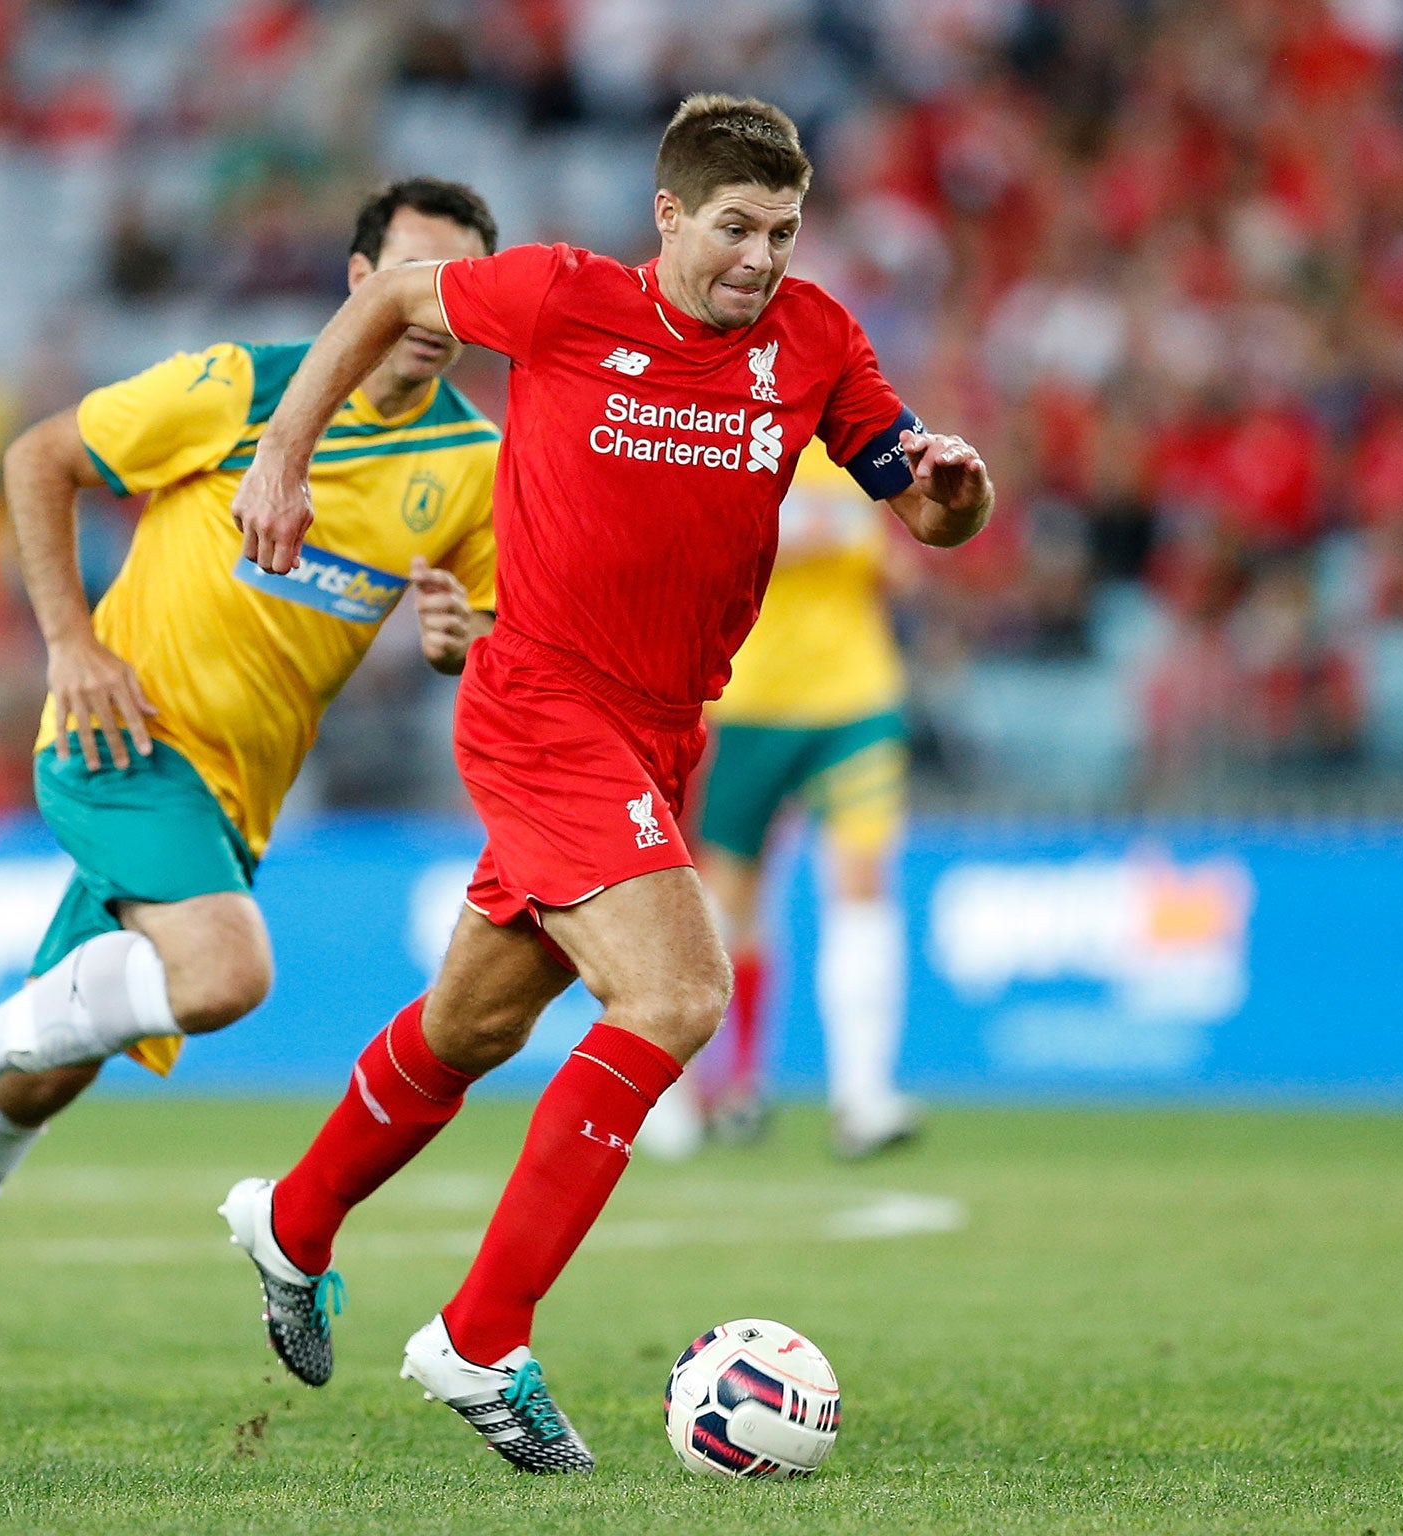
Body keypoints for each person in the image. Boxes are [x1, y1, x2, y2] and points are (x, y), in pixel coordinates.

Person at [225, 93, 994, 1473]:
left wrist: (955, 486)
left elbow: (925, 507)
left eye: (783, 231)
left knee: (467, 1027)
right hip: (542, 705)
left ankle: (291, 1222)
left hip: (664, 732)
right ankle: (480, 1335)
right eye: (738, 228)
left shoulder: (812, 341)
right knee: (679, 993)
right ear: (670, 217)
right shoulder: (565, 299)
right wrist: (283, 450)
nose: (762, 258)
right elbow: (391, 298)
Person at [0, 177, 504, 1426]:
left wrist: (454, 640)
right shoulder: (241, 386)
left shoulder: (473, 466)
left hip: (232, 807)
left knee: (42, 1082)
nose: (430, 309)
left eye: (455, 285)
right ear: (352, 283)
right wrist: (70, 642)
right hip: (123, 739)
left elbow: (488, 644)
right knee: (224, 975)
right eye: (409, 275)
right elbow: (37, 457)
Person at [688, 436, 920, 1158]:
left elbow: (901, 562)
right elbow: (695, 549)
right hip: (744, 700)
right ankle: (721, 1085)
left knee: (861, 876)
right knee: (731, 898)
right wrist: (798, 538)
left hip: (855, 699)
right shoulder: (723, 442)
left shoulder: (869, 454)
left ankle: (862, 1098)